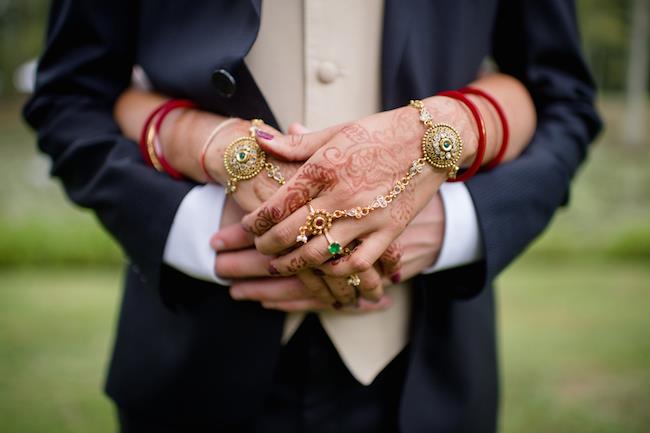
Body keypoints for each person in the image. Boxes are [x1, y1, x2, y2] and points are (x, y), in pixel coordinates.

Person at [23, 1, 601, 432]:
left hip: (430, 368)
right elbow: (70, 97)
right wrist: (206, 231)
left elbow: (563, 99)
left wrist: (453, 223)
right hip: (190, 365)